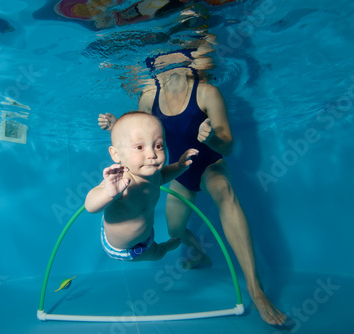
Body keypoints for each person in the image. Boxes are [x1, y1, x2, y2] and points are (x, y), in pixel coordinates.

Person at [98, 57, 287, 326]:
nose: (168, 60)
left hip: (210, 164)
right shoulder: (148, 97)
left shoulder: (207, 92)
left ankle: (256, 291)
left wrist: (211, 138)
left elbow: (228, 147)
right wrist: (117, 124)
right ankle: (199, 254)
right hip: (180, 169)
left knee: (224, 192)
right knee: (175, 231)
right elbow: (138, 135)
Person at [86, 111, 199, 262]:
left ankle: (158, 246)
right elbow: (90, 206)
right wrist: (108, 193)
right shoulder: (120, 181)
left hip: (145, 234)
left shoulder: (154, 174)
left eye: (158, 145)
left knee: (152, 249)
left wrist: (179, 167)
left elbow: (163, 176)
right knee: (157, 254)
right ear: (116, 154)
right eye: (139, 147)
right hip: (123, 247)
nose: (152, 154)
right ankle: (164, 247)